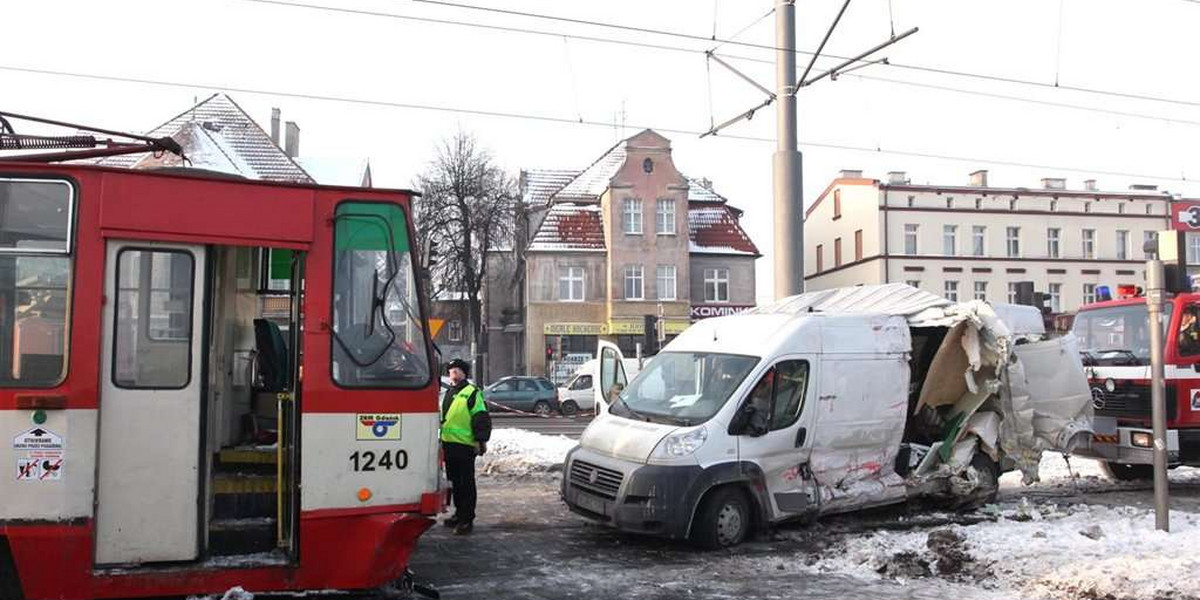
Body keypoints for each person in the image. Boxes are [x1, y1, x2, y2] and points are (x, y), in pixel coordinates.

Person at [439, 358, 491, 535]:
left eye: (457, 369)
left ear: (464, 373)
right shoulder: (449, 392)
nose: (453, 371)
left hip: (465, 445)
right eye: (451, 369)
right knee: (454, 483)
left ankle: (467, 519)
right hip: (449, 444)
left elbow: (481, 416)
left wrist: (480, 440)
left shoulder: (471, 392)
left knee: (466, 483)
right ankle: (458, 513)